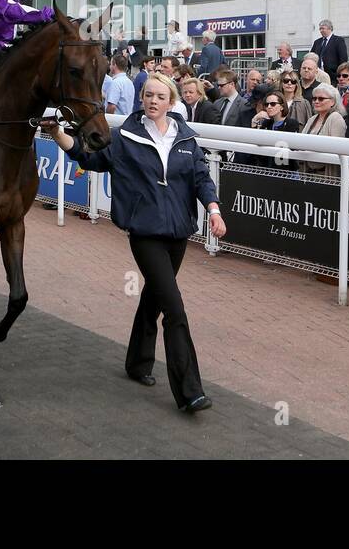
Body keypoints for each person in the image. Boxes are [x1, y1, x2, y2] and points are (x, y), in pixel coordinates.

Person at [47, 72, 224, 413]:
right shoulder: (124, 136)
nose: (153, 101)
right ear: (141, 99)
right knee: (174, 307)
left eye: (160, 96)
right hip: (144, 232)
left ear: (172, 103)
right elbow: (89, 157)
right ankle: (189, 391)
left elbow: (201, 178)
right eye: (148, 95)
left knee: (154, 296)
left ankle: (138, 363)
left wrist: (214, 210)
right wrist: (58, 134)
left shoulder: (186, 138)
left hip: (179, 232)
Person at [300, 84, 347, 177]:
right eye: (314, 99)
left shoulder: (335, 118)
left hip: (327, 174)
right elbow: (301, 142)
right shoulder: (312, 119)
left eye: (321, 99)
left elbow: (336, 148)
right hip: (308, 173)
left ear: (332, 102)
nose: (316, 101)